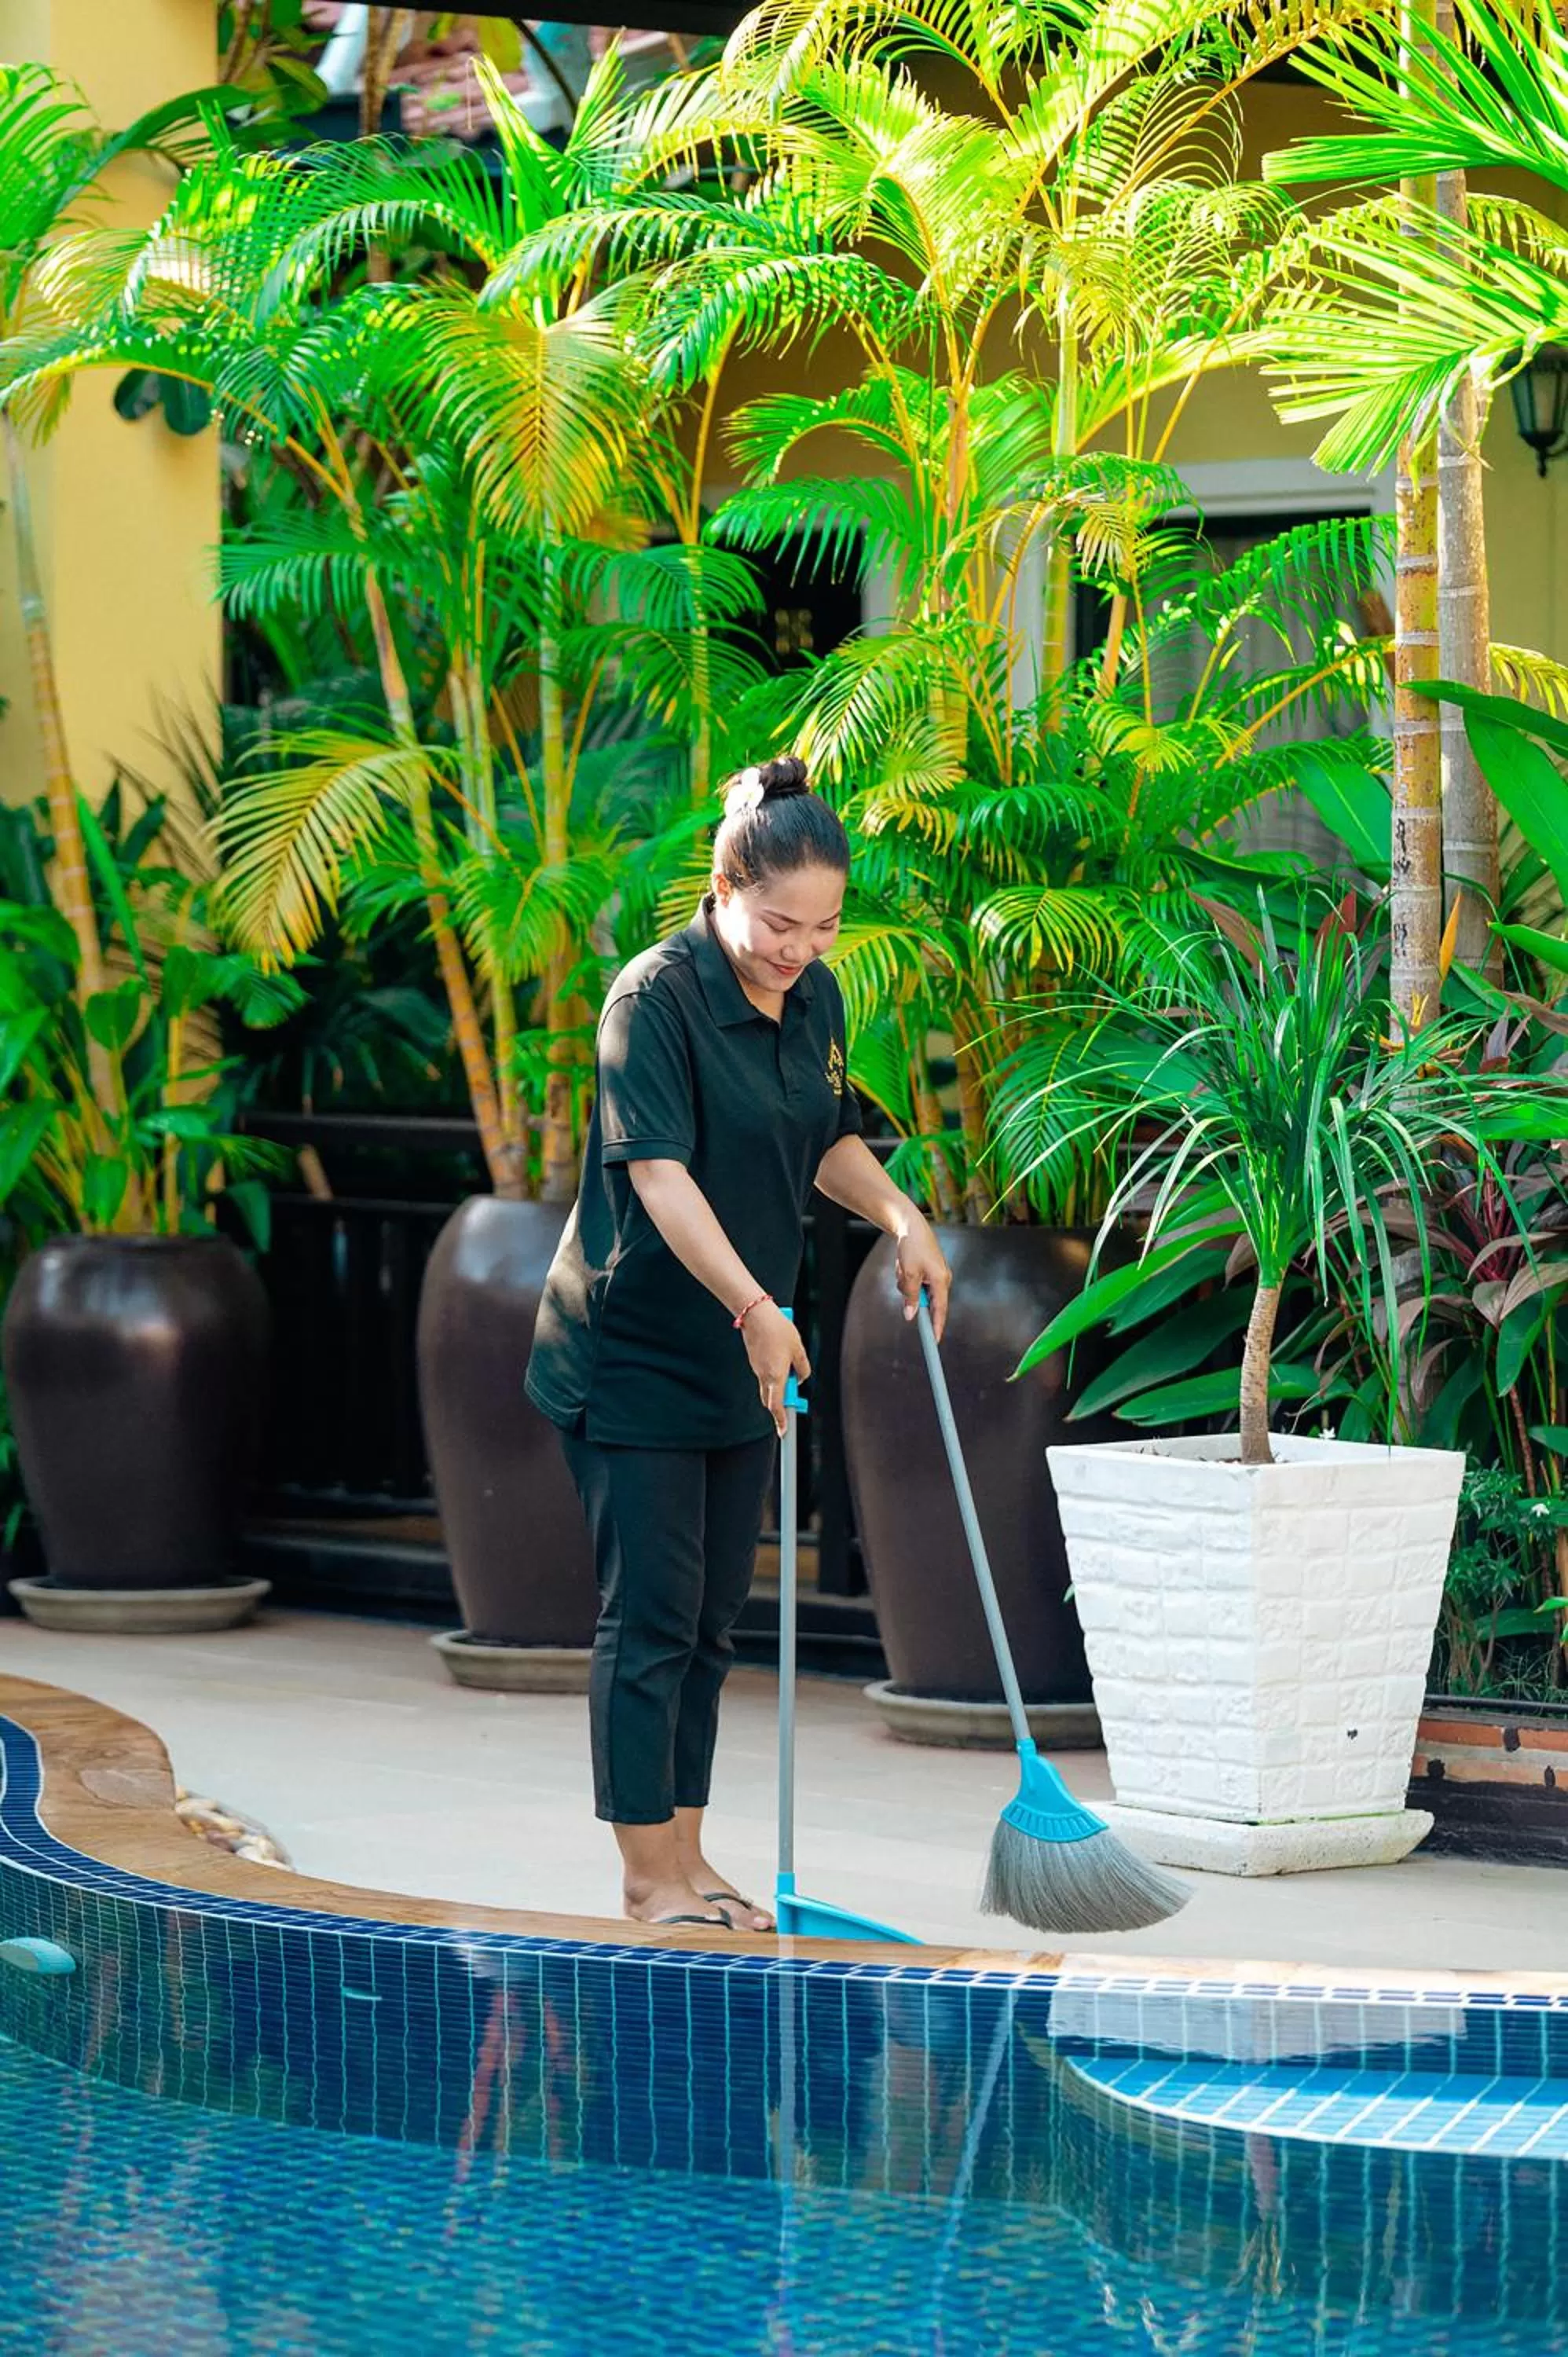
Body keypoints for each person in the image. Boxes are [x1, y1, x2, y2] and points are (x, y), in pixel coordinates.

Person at [526, 756, 952, 1932]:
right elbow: (659, 1175)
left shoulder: (814, 996)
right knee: (651, 1615)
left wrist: (902, 1219)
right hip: (636, 1344)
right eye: (778, 923)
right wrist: (760, 1308)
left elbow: (826, 1135)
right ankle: (644, 1878)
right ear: (723, 888)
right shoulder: (650, 1000)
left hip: (743, 1348)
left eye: (822, 928)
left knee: (712, 1620)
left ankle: (692, 1857)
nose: (798, 949)